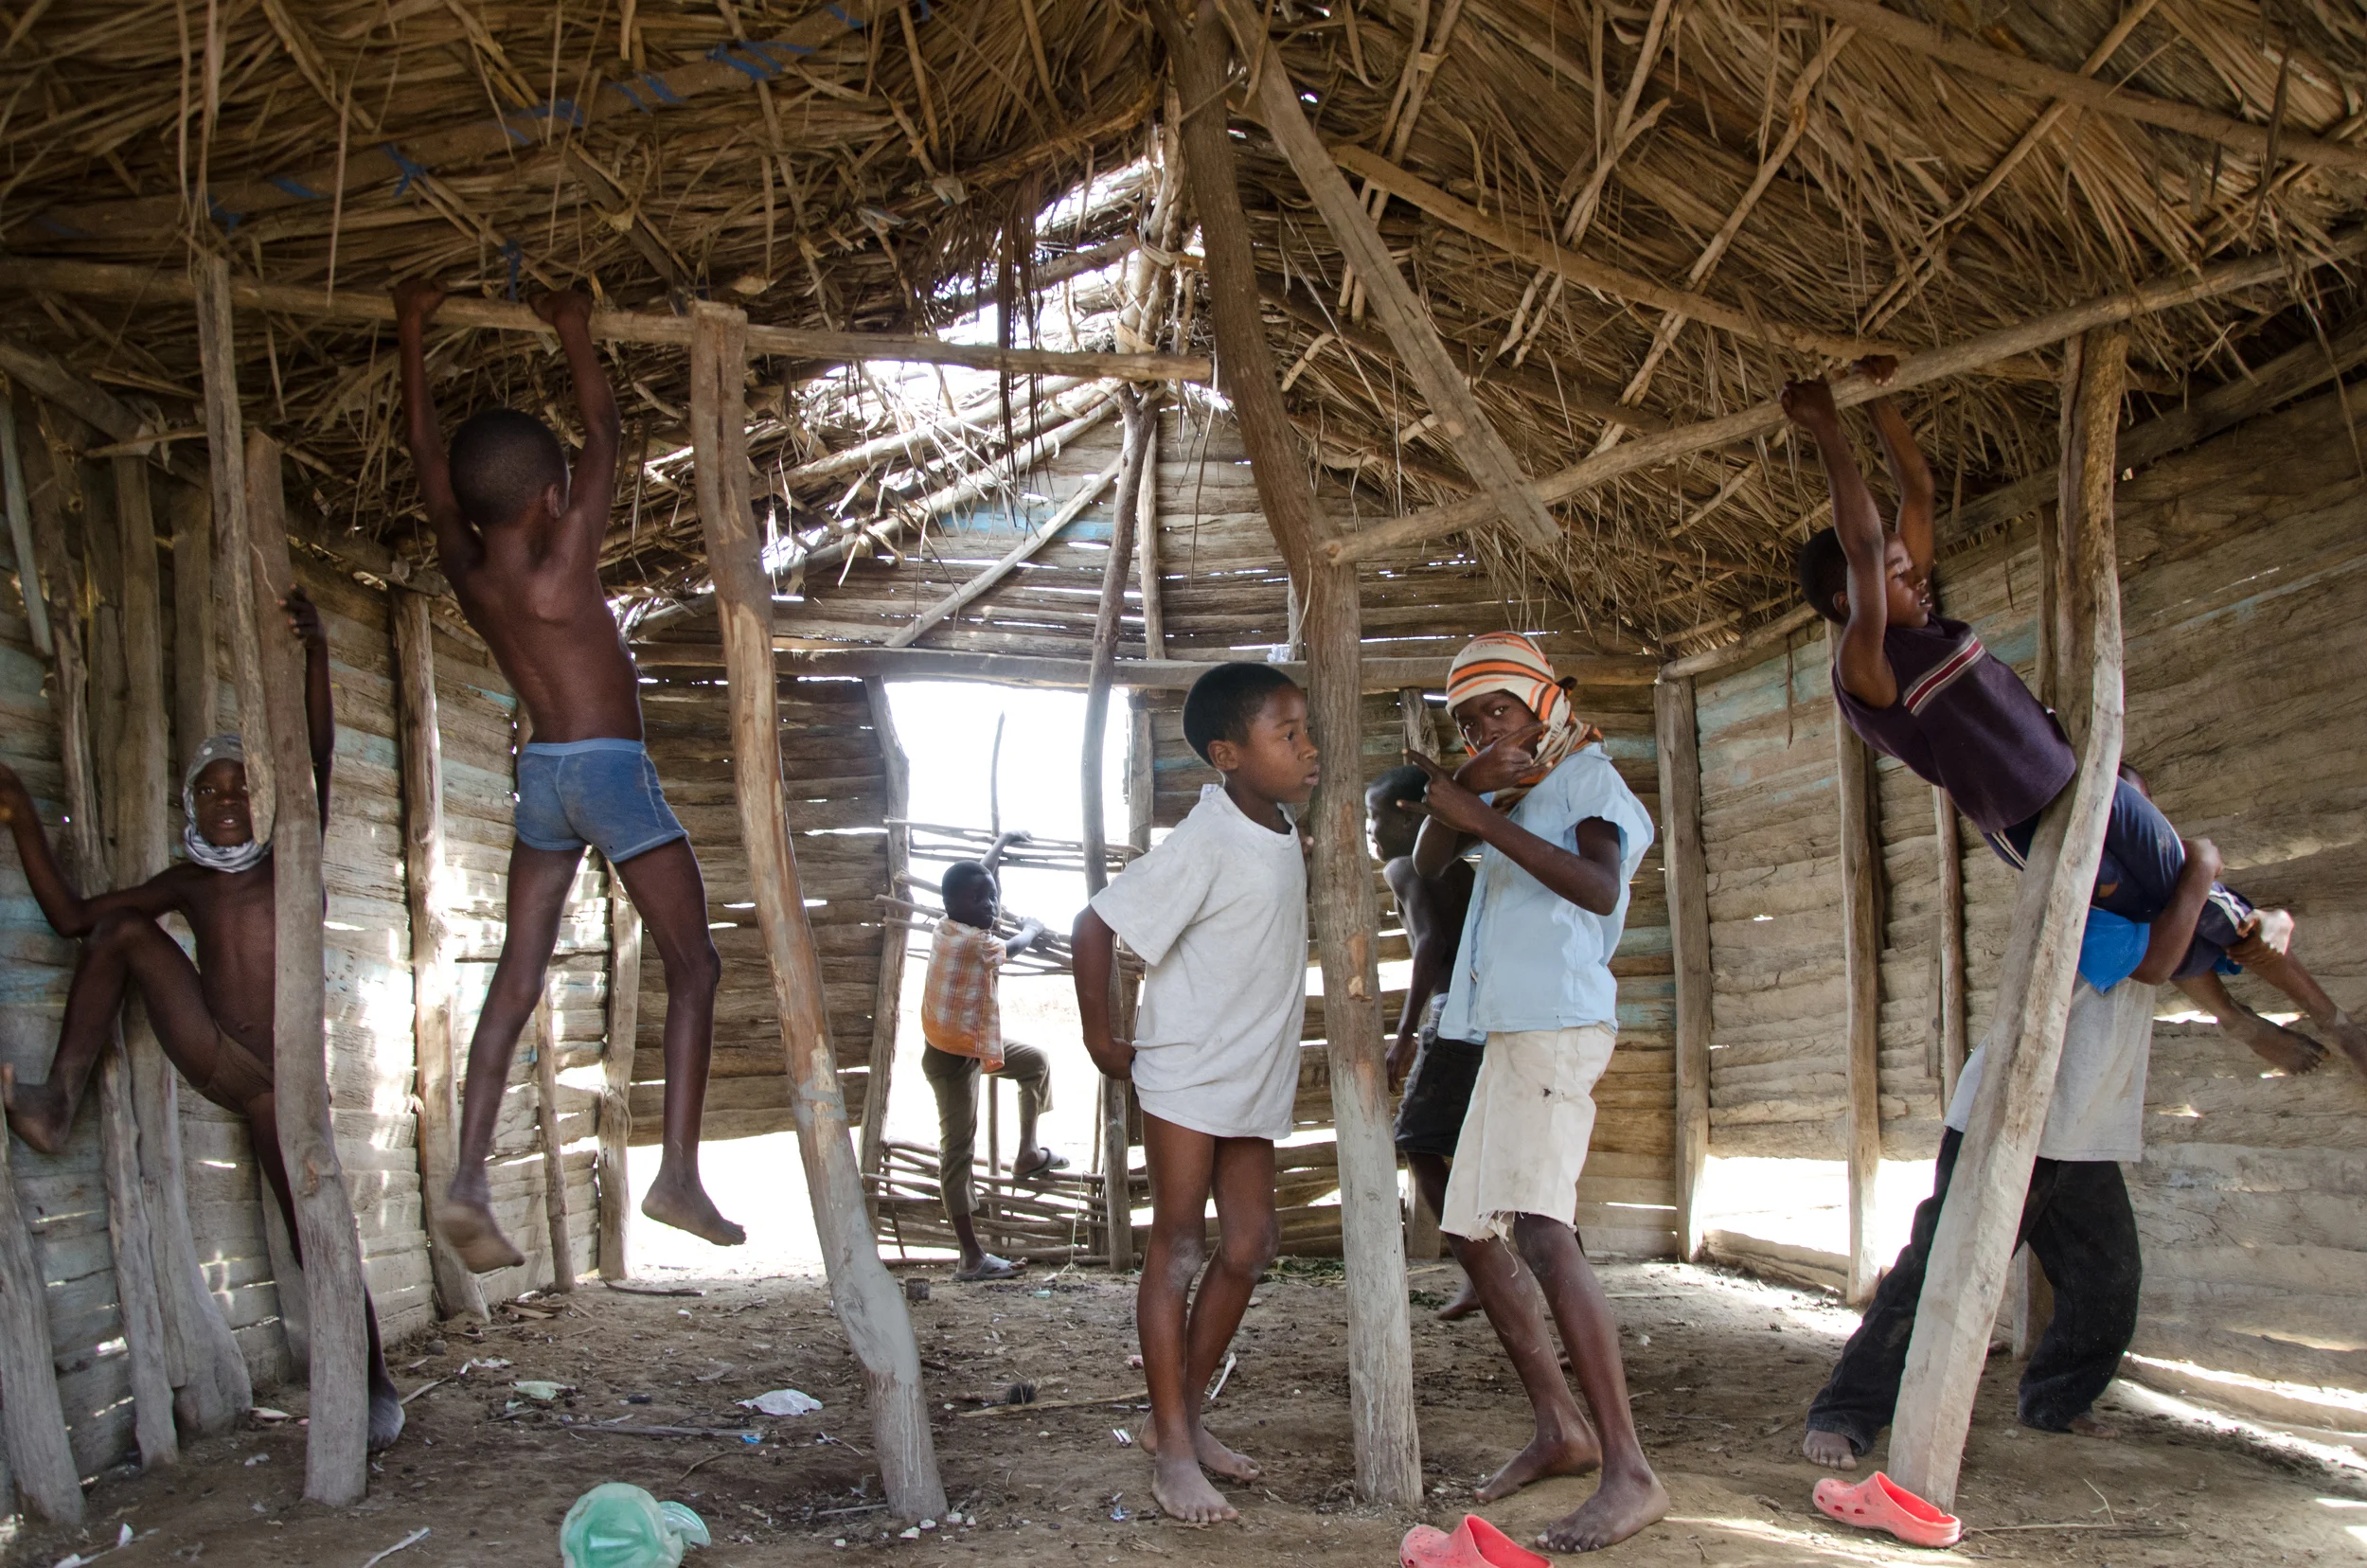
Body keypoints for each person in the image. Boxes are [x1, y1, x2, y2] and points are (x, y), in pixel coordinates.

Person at [0, 591, 405, 1450]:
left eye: (241, 785)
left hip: (281, 1086)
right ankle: (57, 1102)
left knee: (313, 1230)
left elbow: (320, 759)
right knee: (118, 932)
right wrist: (20, 815)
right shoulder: (189, 880)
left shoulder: (290, 847)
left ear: (266, 797)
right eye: (210, 789)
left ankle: (374, 1387)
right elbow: (73, 919)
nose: (226, 801)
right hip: (214, 1054)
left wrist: (319, 655)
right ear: (193, 802)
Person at [394, 278, 740, 1270]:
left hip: (541, 776)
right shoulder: (563, 558)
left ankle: (466, 1178)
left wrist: (413, 327)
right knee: (696, 966)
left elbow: (427, 453)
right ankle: (676, 1173)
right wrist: (576, 329)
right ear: (551, 499)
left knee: (517, 974)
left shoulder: (471, 569)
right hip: (608, 772)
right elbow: (605, 432)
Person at [1785, 359, 2284, 998]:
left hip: (2062, 768)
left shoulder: (1917, 614)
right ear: (1847, 602)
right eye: (1894, 572)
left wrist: (1877, 399)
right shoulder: (1867, 669)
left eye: (1907, 566)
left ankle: (2260, 972)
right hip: (2022, 816)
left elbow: (1918, 488)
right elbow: (1862, 548)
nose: (1916, 577)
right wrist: (1828, 426)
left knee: (2189, 894)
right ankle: (2233, 977)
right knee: (2150, 926)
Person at [1400, 632, 1668, 1554]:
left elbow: (1597, 887)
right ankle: (1561, 1429)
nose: (1483, 730)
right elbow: (1429, 862)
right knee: (1470, 1227)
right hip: (1507, 1033)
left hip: (1556, 1028)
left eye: (1499, 711)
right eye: (1469, 722)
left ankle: (1629, 1472)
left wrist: (1483, 819)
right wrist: (1467, 793)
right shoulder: (1522, 795)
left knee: (1547, 1236)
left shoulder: (1590, 783)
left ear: (1546, 705)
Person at [1801, 900, 2207, 1469]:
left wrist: (2239, 1017)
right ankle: (1844, 1412)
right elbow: (2159, 961)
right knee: (1938, 1271)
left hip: (2081, 1131)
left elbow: (2188, 954)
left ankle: (2055, 1400)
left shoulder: (2159, 902)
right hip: (2007, 1120)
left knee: (2107, 1282)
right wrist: (2205, 867)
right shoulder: (2092, 905)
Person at [1071, 662, 1317, 1524]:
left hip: (1247, 1071)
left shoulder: (1280, 828)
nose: (1309, 749)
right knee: (1177, 1246)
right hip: (1184, 1071)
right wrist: (1104, 1038)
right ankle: (1174, 1446)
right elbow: (1094, 925)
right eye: (1288, 736)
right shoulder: (1207, 839)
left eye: (1305, 731)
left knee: (1249, 1243)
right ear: (1228, 754)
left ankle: (1180, 1418)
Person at [2118, 765, 2366, 1081]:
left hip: (2195, 920)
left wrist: (2268, 919)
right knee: (2168, 917)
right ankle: (2237, 1020)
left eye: (2143, 812)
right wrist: (2203, 864)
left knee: (2240, 923)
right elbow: (2155, 966)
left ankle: (2334, 1022)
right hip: (2158, 943)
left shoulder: (2164, 852)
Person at [1369, 764, 1486, 1322]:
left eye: (1375, 817)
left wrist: (1406, 1033)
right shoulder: (1461, 869)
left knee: (1417, 1139)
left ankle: (1479, 1269)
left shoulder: (1403, 866)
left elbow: (1431, 944)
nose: (1371, 831)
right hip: (1492, 1013)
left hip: (1452, 1012)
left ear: (1407, 816)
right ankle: (1488, 1270)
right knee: (1486, 1148)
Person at [920, 834, 1065, 1281]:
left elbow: (977, 878)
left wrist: (998, 845)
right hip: (951, 1061)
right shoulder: (975, 944)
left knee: (1035, 1063)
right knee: (958, 1153)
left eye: (994, 897)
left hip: (973, 1045)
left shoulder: (948, 922)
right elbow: (1014, 947)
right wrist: (1034, 928)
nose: (991, 906)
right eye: (980, 900)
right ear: (955, 904)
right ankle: (971, 1257)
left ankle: (1025, 1153)